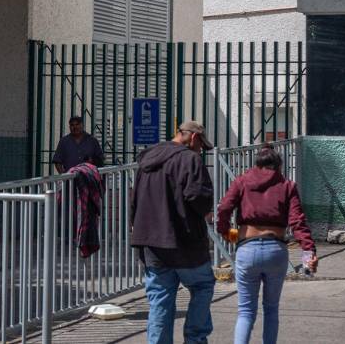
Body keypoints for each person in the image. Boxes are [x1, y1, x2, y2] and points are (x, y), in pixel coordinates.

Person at [216, 145, 317, 344]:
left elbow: (224, 207)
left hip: (247, 249)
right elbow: (298, 222)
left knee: (245, 311)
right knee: (271, 309)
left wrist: (225, 231)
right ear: (278, 166)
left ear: (257, 164)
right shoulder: (287, 185)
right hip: (276, 251)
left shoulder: (242, 181)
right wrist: (308, 251)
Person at [130, 121, 216, 344]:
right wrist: (207, 212)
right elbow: (199, 197)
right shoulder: (190, 159)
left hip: (152, 243)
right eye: (201, 145)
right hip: (185, 242)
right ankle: (195, 339)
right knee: (202, 286)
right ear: (194, 138)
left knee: (160, 299)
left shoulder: (147, 160)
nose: (200, 150)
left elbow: (135, 199)